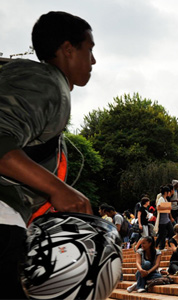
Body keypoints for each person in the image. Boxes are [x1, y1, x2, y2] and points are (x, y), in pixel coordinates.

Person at [0, 11, 95, 299]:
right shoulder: (46, 82)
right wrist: (59, 189)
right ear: (68, 49)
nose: (93, 61)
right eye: (89, 50)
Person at [156, 185, 175, 250]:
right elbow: (158, 207)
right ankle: (158, 246)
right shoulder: (161, 199)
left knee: (171, 231)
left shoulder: (165, 199)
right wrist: (167, 207)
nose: (170, 193)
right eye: (169, 192)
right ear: (166, 192)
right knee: (162, 234)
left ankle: (170, 244)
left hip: (166, 219)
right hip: (162, 220)